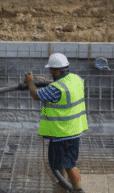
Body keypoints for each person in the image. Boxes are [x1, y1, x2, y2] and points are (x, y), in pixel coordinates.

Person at [23, 53, 88, 193]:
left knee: (65, 164)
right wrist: (48, 83)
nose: (50, 72)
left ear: (57, 71)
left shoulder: (56, 88)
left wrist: (30, 82)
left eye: (52, 70)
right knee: (65, 163)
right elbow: (61, 88)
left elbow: (36, 94)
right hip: (74, 130)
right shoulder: (76, 79)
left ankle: (77, 190)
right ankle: (63, 187)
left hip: (62, 133)